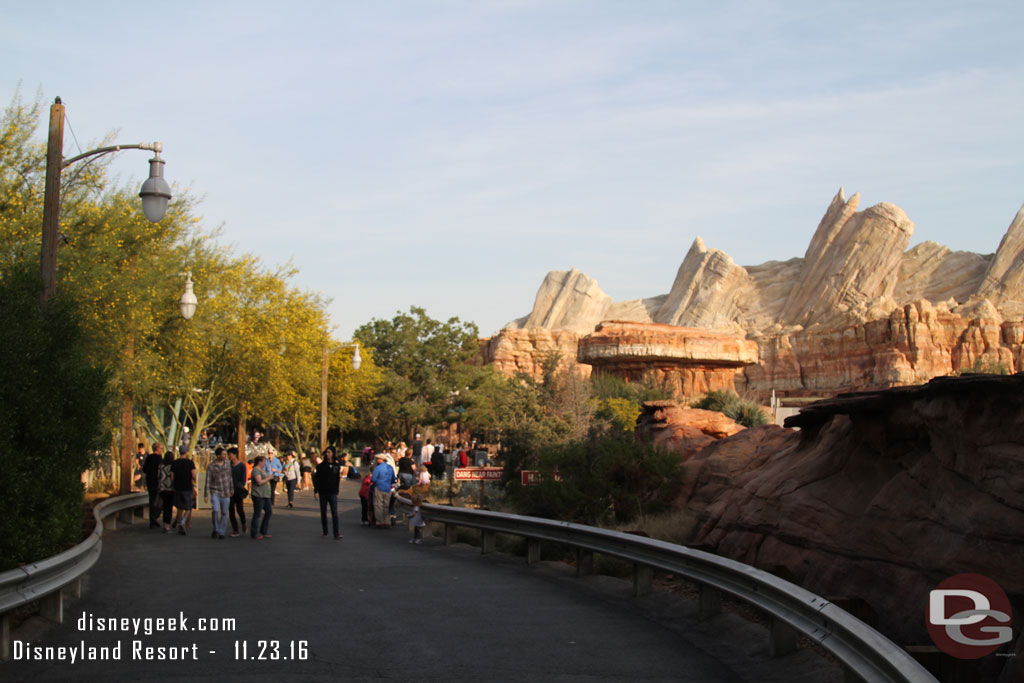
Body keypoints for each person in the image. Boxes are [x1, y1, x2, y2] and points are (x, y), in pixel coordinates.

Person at [203, 446, 233, 539]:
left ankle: (222, 531)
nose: (225, 456)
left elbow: (230, 477)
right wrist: (206, 494)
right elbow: (208, 479)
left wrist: (232, 489)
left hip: (226, 491)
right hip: (215, 490)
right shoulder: (211, 466)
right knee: (215, 510)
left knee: (224, 512)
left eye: (225, 454)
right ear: (218, 455)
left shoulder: (227, 463)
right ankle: (216, 528)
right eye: (223, 454)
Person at [313, 447, 342, 539]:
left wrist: (337, 489)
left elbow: (337, 478)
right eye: (326, 452)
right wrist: (316, 491)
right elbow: (317, 479)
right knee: (323, 513)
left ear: (333, 453)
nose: (327, 454)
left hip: (333, 492)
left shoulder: (336, 466)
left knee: (334, 513)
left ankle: (336, 532)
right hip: (323, 492)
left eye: (329, 452)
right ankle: (325, 531)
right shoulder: (320, 466)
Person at [171, 446, 197, 535]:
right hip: (187, 486)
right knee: (189, 506)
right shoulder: (190, 463)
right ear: (186, 452)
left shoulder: (174, 463)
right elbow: (194, 475)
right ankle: (183, 521)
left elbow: (172, 477)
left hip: (177, 487)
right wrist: (195, 482)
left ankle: (179, 522)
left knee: (180, 507)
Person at [250, 455, 273, 540]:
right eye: (263, 461)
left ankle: (264, 530)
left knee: (269, 511)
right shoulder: (256, 470)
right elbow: (259, 482)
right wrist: (268, 478)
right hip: (258, 495)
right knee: (257, 514)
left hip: (265, 495)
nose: (264, 463)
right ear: (259, 462)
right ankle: (254, 532)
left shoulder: (261, 470)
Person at [370, 453, 396, 529]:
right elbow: (393, 479)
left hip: (379, 487)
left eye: (377, 459)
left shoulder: (377, 468)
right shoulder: (390, 468)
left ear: (380, 459)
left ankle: (379, 522)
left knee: (378, 505)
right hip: (387, 488)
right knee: (386, 505)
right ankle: (386, 521)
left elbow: (373, 479)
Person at [142, 443, 164, 528]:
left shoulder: (149, 457)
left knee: (152, 500)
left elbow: (144, 469)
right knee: (159, 501)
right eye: (161, 448)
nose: (162, 450)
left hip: (150, 482)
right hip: (158, 482)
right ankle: (155, 517)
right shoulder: (159, 459)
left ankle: (153, 519)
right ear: (157, 449)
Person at [228, 447, 248, 536]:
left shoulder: (242, 466)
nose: (229, 456)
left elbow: (243, 479)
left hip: (238, 490)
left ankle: (243, 523)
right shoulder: (228, 465)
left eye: (230, 454)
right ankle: (235, 529)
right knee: (231, 509)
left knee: (240, 509)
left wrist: (240, 486)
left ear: (234, 454)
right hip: (229, 490)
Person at [158, 450, 175, 532]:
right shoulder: (172, 466)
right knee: (169, 507)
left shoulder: (161, 465)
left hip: (162, 488)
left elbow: (158, 476)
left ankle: (164, 523)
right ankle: (167, 525)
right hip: (170, 489)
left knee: (165, 507)